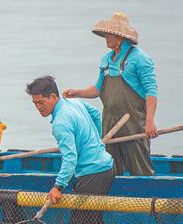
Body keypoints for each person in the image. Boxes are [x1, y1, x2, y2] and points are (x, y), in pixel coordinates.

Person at [26, 76, 118, 224]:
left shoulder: (60, 123)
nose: (39, 107)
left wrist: (59, 186)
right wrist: (96, 140)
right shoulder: (73, 102)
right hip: (107, 167)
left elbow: (70, 158)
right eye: (35, 104)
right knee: (94, 221)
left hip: (93, 173)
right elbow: (96, 114)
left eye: (42, 102)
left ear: (53, 96)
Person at [62, 12, 158, 176]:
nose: (106, 37)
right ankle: (113, 198)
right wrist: (76, 92)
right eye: (105, 34)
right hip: (109, 121)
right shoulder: (106, 59)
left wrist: (150, 121)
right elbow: (98, 89)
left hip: (133, 121)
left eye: (110, 34)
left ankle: (144, 196)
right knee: (109, 166)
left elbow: (151, 91)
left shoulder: (140, 58)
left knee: (139, 165)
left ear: (120, 37)